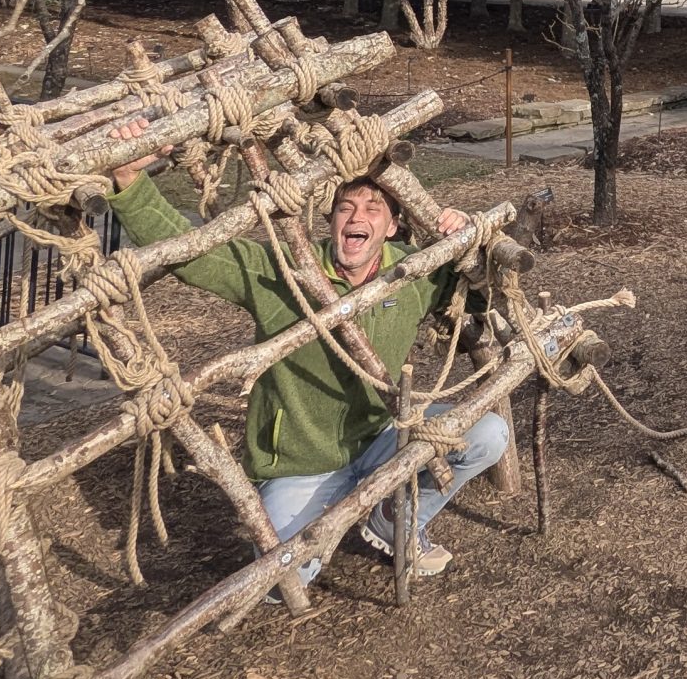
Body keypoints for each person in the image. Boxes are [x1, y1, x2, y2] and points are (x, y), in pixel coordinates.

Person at [106, 159, 507, 582]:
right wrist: (130, 183)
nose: (357, 217)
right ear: (331, 220)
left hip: (382, 440)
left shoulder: (411, 272)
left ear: (392, 226)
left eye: (373, 208)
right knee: (284, 582)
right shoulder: (282, 273)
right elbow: (195, 254)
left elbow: (477, 295)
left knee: (487, 433)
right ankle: (314, 521)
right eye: (346, 207)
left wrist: (467, 244)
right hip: (299, 464)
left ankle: (396, 519)